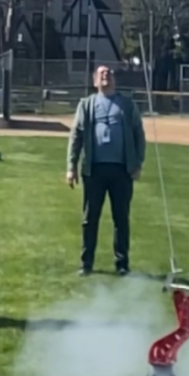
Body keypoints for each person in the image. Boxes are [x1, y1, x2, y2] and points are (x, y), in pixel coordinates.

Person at [66, 62, 146, 276]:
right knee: (89, 218)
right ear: (94, 81)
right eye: (101, 74)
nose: (106, 76)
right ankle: (86, 264)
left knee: (121, 218)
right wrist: (71, 167)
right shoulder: (86, 105)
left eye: (109, 73)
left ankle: (122, 265)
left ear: (114, 80)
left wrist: (138, 162)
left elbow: (139, 134)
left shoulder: (127, 105)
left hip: (122, 171)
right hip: (94, 171)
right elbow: (76, 136)